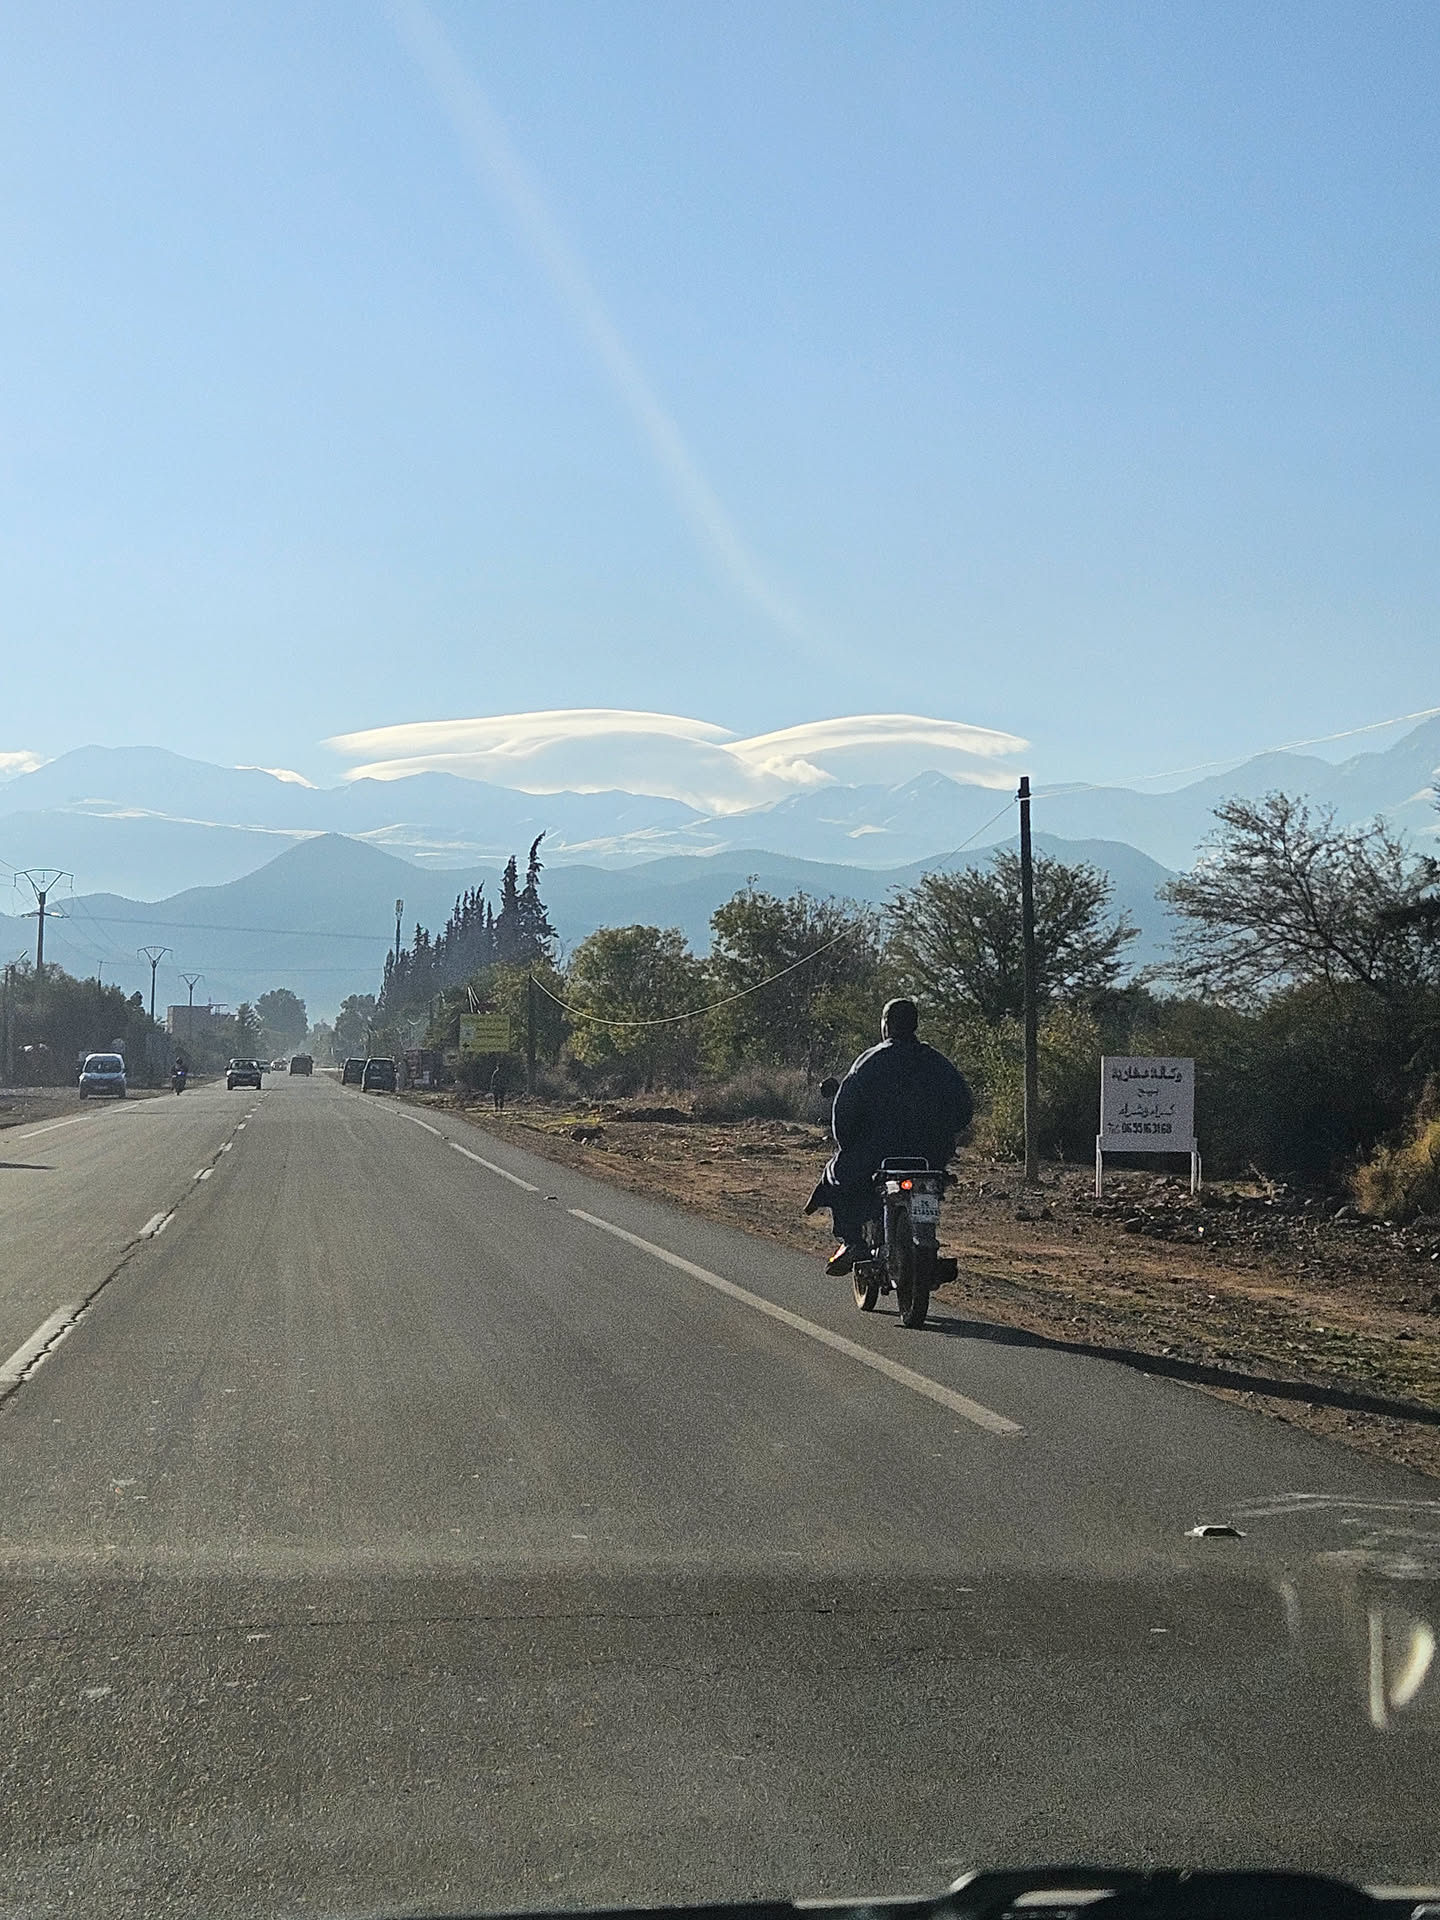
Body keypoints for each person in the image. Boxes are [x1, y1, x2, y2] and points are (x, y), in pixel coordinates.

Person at [809, 998, 972, 1276]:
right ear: (915, 1024)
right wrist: (945, 1136)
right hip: (930, 1155)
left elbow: (844, 1113)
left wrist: (849, 1145)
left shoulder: (870, 1061)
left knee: (835, 1174)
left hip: (878, 1153)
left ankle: (852, 1241)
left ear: (886, 1025)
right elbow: (964, 1106)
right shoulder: (937, 1062)